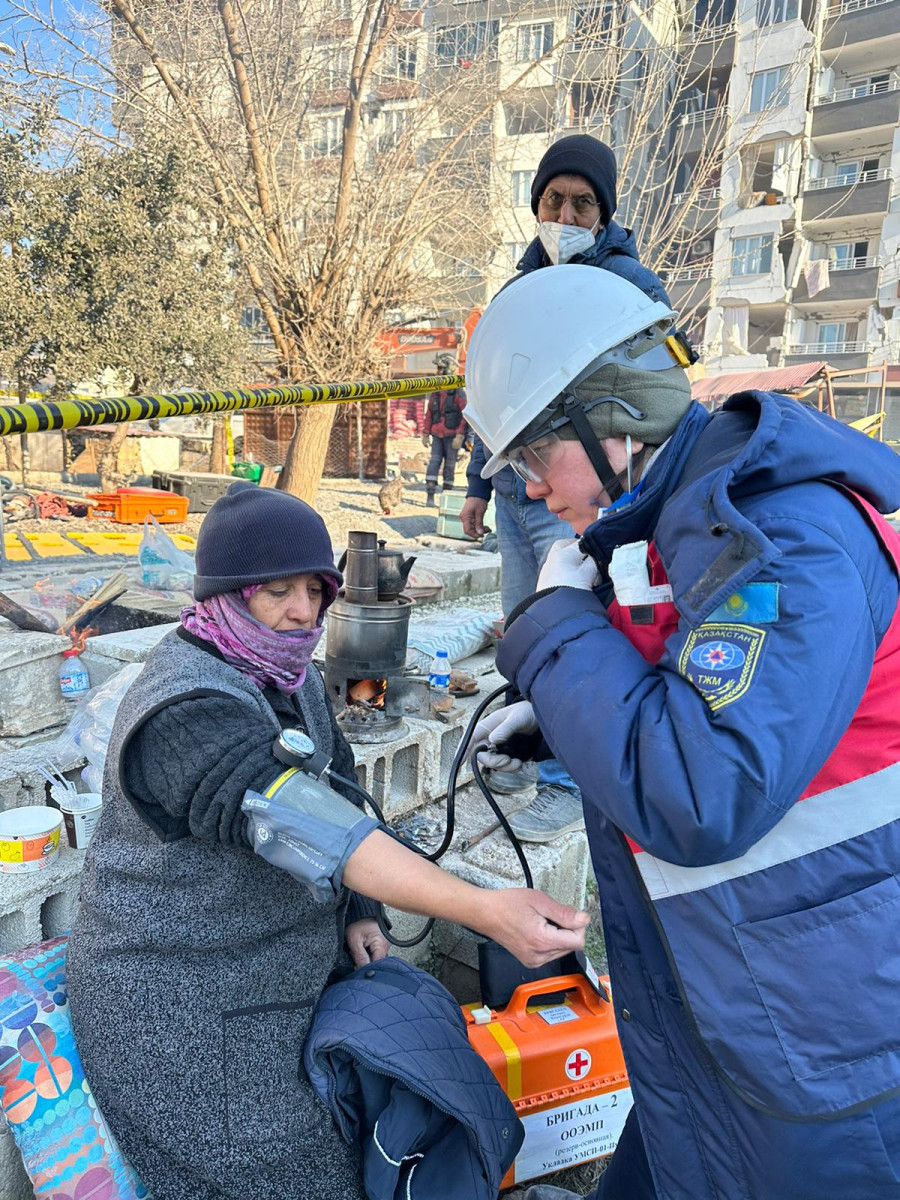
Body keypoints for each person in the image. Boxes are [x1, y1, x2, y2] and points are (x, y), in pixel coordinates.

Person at [463, 265, 900, 1200]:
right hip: (730, 1004)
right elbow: (692, 700)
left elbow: (703, 792)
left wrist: (556, 632)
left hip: (827, 1036)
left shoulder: (786, 538)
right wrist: (569, 721)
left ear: (611, 420)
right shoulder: (681, 524)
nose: (535, 492)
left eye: (538, 458)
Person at [67, 482, 587, 1200]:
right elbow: (317, 826)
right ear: (225, 592)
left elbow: (337, 779)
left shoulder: (288, 674)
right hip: (180, 999)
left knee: (406, 1084)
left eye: (315, 590)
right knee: (294, 1168)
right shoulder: (184, 709)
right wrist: (486, 909)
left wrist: (358, 914)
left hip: (277, 969)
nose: (303, 612)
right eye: (276, 591)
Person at [461, 134, 672, 843]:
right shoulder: (517, 289)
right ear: (537, 206)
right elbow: (492, 401)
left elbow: (656, 399)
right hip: (521, 494)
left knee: (573, 629)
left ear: (604, 213)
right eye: (554, 200)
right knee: (527, 625)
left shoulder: (632, 286)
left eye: (583, 202)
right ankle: (524, 745)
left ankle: (561, 780)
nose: (567, 214)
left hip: (585, 493)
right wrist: (475, 487)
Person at [422, 352, 467, 505]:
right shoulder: (436, 391)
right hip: (437, 435)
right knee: (434, 462)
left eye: (440, 368)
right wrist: (425, 433)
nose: (437, 372)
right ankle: (430, 495)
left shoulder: (458, 391)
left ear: (449, 370)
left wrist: (460, 435)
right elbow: (429, 413)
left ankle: (445, 497)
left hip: (452, 436)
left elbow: (465, 415)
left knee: (449, 465)